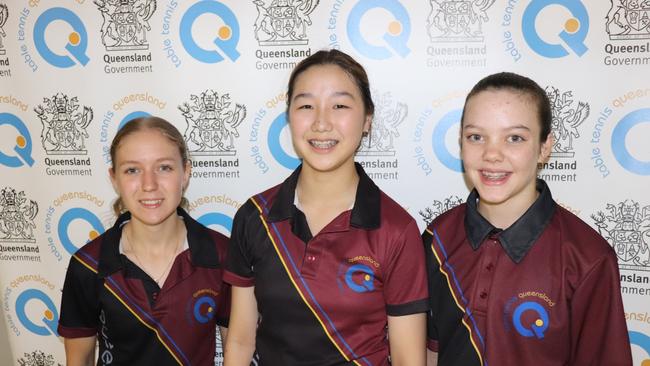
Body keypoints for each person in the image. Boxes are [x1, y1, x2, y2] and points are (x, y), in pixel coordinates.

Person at [224, 49, 428, 365]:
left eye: (340, 106)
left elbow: (407, 359)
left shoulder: (396, 229)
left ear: (367, 120)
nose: (321, 123)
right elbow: (239, 341)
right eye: (306, 105)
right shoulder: (255, 217)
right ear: (289, 116)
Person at [424, 72, 632, 365]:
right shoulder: (437, 239)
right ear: (460, 143)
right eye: (476, 137)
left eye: (514, 138)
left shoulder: (588, 258)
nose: (492, 154)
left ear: (545, 147)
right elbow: (431, 351)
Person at [57, 116, 230, 366]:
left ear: (186, 173)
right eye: (132, 170)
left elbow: (238, 347)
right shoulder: (88, 265)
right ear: (114, 178)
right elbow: (78, 358)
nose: (149, 185)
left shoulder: (222, 256)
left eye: (164, 167)